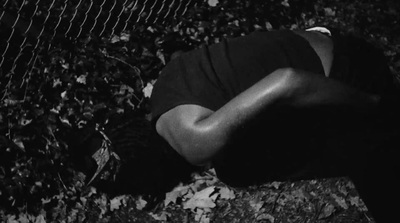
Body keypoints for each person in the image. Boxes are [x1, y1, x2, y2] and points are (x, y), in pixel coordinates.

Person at [150, 27, 400, 222]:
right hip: (322, 41)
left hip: (349, 74)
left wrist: (370, 103)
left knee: (381, 182)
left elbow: (288, 81)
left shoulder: (194, 143)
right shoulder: (162, 91)